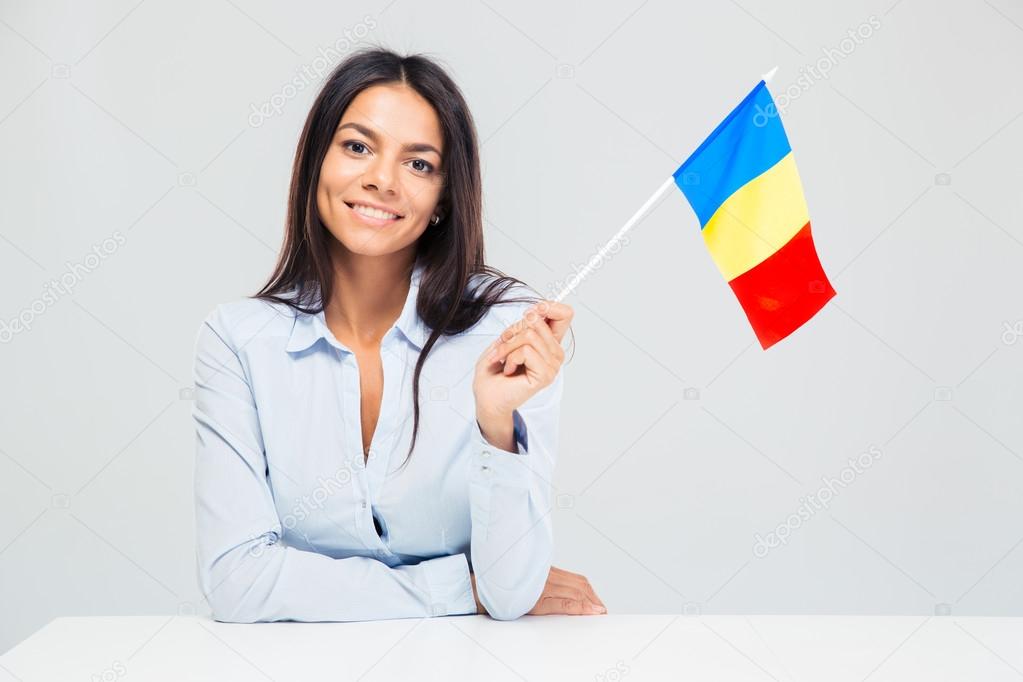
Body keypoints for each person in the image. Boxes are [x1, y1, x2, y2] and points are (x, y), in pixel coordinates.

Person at [191, 47, 605, 623]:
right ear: (318, 163)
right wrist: (458, 588)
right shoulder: (238, 340)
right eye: (357, 147)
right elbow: (236, 582)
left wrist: (495, 423)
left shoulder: (509, 332)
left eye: (419, 164)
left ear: (442, 197)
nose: (382, 180)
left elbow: (509, 593)